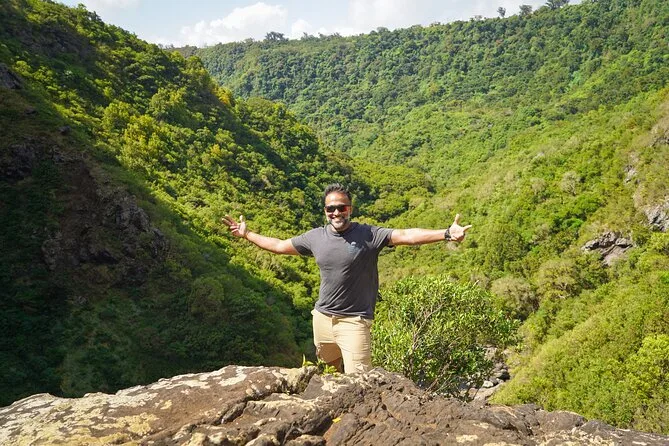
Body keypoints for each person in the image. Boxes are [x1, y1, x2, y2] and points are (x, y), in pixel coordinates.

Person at [222, 183, 471, 374]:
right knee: (330, 371)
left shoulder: (368, 234)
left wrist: (446, 233)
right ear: (325, 211)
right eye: (330, 208)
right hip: (322, 318)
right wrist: (248, 235)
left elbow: (407, 235)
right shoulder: (315, 237)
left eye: (341, 207)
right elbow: (278, 246)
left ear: (350, 209)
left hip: (354, 322)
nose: (336, 212)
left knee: (360, 381)